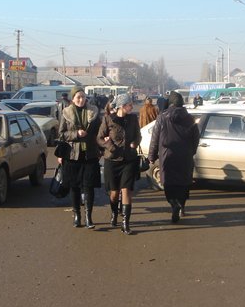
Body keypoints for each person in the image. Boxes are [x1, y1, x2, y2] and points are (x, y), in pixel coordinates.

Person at [148, 91, 200, 223]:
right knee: (183, 183)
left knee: (169, 184)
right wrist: (191, 151)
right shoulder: (190, 118)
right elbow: (196, 138)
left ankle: (174, 205)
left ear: (170, 103)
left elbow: (155, 138)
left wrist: (151, 156)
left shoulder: (162, 117)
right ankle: (181, 206)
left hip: (167, 156)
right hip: (185, 156)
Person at [97, 94, 141, 234]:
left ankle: (125, 223)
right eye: (129, 104)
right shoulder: (108, 119)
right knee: (114, 193)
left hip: (129, 160)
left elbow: (138, 135)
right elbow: (99, 138)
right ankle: (114, 212)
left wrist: (135, 142)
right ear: (122, 106)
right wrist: (110, 146)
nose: (132, 107)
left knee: (126, 190)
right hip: (112, 160)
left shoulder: (133, 118)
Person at [58, 86, 102, 229]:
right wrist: (76, 134)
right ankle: (77, 216)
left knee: (89, 186)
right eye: (78, 97)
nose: (81, 100)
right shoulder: (66, 113)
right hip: (72, 155)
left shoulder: (94, 112)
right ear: (73, 99)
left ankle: (89, 217)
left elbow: (100, 132)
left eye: (83, 97)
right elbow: (61, 134)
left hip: (90, 154)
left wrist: (102, 146)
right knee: (75, 187)